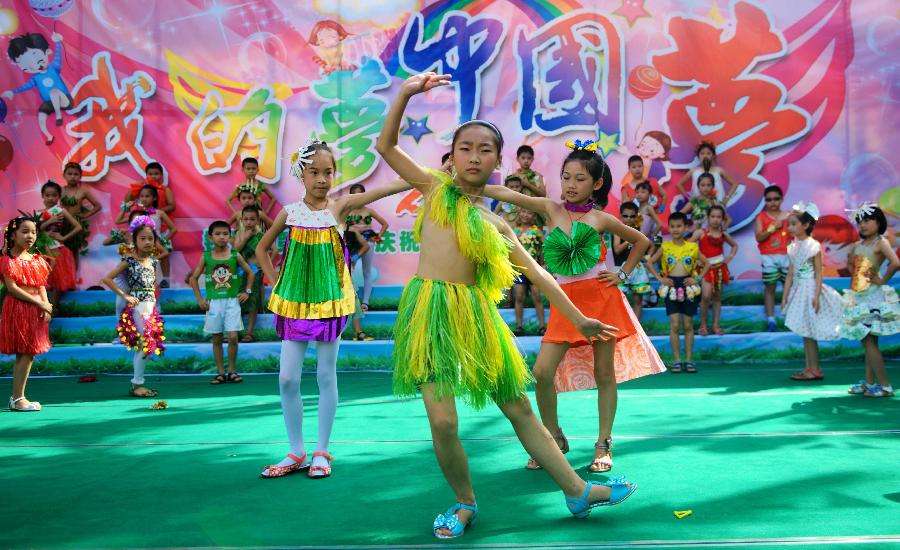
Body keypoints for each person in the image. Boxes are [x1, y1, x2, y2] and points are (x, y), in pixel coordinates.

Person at [377, 73, 638, 539]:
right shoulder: (435, 189)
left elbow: (538, 275)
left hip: (476, 316)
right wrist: (406, 93)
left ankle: (578, 491)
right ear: (451, 155)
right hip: (429, 312)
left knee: (518, 406)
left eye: (484, 149)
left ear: (499, 159)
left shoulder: (495, 222)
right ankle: (464, 502)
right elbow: (387, 146)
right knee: (442, 420)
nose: (474, 156)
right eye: (465, 148)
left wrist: (579, 317)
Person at [485, 138, 665, 474]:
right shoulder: (551, 209)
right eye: (566, 177)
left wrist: (622, 275)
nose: (570, 185)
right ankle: (553, 438)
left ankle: (603, 443)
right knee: (540, 373)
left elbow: (642, 241)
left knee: (604, 374)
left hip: (601, 300)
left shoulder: (601, 219)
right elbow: (509, 195)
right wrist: (471, 184)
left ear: (596, 184)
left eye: (579, 179)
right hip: (564, 303)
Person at [254, 138, 412, 479]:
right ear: (302, 173)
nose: (323, 179)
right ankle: (296, 451)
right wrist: (275, 282)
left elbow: (384, 190)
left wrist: (426, 176)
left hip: (330, 304)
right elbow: (262, 249)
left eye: (329, 172)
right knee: (286, 379)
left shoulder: (339, 208)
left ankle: (321, 451)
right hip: (294, 306)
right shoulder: (289, 213)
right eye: (315, 172)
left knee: (326, 374)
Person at [100, 215, 166, 397]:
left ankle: (137, 383)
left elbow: (153, 285)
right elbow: (106, 278)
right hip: (137, 306)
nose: (147, 242)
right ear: (135, 241)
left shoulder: (153, 261)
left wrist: (153, 304)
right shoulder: (129, 260)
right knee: (145, 343)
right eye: (142, 238)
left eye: (150, 238)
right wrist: (125, 295)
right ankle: (137, 384)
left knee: (145, 345)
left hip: (150, 306)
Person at [782, 202, 845, 380]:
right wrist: (785, 296)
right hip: (799, 290)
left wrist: (816, 296)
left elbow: (819, 273)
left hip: (809, 289)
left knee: (810, 331)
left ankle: (815, 368)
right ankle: (810, 367)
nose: (791, 227)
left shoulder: (813, 245)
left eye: (794, 224)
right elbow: (790, 274)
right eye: (790, 224)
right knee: (805, 331)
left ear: (806, 225)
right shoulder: (793, 247)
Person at [842, 203, 899, 397]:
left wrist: (882, 280)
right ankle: (869, 382)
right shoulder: (859, 245)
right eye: (860, 222)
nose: (863, 225)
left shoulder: (880, 243)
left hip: (873, 297)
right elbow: (851, 264)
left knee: (868, 341)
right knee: (868, 341)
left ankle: (885, 386)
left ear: (878, 222)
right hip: (859, 297)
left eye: (867, 220)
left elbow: (896, 262)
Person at [189, 221, 253, 384]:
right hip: (214, 303)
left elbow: (250, 273)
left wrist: (247, 291)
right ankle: (220, 373)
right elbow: (193, 278)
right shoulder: (206, 257)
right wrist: (200, 299)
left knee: (232, 336)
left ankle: (232, 371)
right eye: (217, 234)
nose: (222, 237)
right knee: (217, 337)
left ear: (230, 236)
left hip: (232, 301)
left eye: (225, 234)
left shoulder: (234, 255)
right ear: (210, 237)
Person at [648, 212, 710, 373]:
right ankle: (677, 361)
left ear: (685, 227)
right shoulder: (665, 247)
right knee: (675, 325)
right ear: (669, 227)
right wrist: (660, 279)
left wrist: (696, 278)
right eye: (673, 226)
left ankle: (689, 360)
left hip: (688, 286)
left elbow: (707, 263)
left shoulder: (693, 247)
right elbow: (649, 262)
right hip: (671, 287)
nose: (676, 229)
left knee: (688, 325)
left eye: (679, 226)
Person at [0, 217, 52, 411]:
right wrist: (38, 302)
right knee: (24, 352)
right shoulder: (7, 260)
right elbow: (12, 288)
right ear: (13, 235)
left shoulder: (36, 259)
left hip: (35, 308)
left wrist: (45, 304)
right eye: (25, 231)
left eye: (33, 232)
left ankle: (18, 397)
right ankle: (17, 398)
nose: (30, 236)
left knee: (29, 353)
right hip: (18, 308)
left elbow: (40, 285)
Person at [2, 32, 72, 144]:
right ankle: (49, 136)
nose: (33, 66)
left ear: (47, 52)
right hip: (49, 103)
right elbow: (25, 87)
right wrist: (13, 92)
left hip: (65, 100)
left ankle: (59, 115)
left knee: (54, 92)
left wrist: (57, 42)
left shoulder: (54, 68)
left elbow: (58, 56)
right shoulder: (35, 78)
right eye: (25, 66)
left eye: (36, 57)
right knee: (41, 116)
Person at [689, 205, 738, 336]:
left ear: (722, 219)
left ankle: (716, 325)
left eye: (718, 217)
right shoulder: (701, 233)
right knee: (705, 296)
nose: (715, 219)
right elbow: (688, 246)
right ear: (708, 217)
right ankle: (703, 325)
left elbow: (734, 246)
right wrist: (696, 260)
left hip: (719, 270)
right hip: (705, 270)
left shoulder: (723, 234)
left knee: (716, 297)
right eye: (713, 216)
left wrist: (729, 257)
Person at [117, 185, 177, 287]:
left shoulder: (159, 213)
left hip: (155, 242)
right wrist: (126, 208)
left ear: (154, 198)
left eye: (147, 196)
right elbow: (118, 221)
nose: (144, 199)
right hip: (141, 244)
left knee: (155, 266)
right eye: (142, 196)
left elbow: (174, 229)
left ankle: (164, 282)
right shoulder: (138, 214)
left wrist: (164, 240)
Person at [345, 183, 390, 310]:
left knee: (367, 272)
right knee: (347, 270)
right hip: (352, 243)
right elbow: (340, 226)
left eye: (360, 194)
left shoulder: (369, 211)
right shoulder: (347, 211)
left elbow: (385, 224)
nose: (357, 197)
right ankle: (348, 300)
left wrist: (376, 238)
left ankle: (365, 302)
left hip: (368, 242)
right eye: (354, 195)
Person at [37, 180, 81, 308]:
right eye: (47, 195)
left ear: (58, 197)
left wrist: (64, 237)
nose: (51, 198)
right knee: (43, 279)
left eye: (54, 195)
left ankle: (53, 308)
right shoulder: (38, 213)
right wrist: (50, 220)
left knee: (58, 279)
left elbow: (78, 226)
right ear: (42, 196)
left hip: (56, 247)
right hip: (41, 248)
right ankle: (42, 306)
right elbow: (36, 230)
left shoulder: (60, 210)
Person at [755, 185, 791, 331]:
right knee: (770, 287)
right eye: (769, 199)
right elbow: (759, 237)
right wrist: (773, 227)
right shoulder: (761, 217)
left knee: (789, 288)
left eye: (776, 199)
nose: (772, 202)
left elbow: (797, 232)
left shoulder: (788, 216)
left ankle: (790, 317)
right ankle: (771, 319)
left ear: (782, 199)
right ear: (765, 201)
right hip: (768, 257)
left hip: (787, 255)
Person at [233, 205, 271, 342]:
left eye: (252, 219)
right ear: (242, 220)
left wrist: (263, 265)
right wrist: (245, 238)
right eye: (246, 219)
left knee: (253, 301)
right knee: (237, 300)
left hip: (255, 272)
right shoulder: (238, 234)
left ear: (258, 221)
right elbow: (235, 250)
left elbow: (270, 250)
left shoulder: (262, 236)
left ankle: (249, 332)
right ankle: (235, 332)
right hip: (240, 272)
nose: (249, 222)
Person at [673, 141, 741, 212]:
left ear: (713, 155)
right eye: (702, 153)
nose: (705, 156)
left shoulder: (718, 170)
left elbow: (734, 184)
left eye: (708, 153)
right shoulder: (694, 171)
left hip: (717, 207)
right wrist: (689, 199)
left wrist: (727, 197)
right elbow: (679, 184)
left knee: (716, 221)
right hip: (699, 208)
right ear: (698, 156)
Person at [614, 202, 652, 320]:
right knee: (620, 299)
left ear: (636, 216)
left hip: (637, 266)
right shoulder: (617, 230)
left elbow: (648, 246)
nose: (629, 219)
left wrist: (647, 255)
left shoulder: (639, 231)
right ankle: (623, 326)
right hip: (622, 266)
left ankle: (637, 328)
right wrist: (628, 240)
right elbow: (617, 250)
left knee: (638, 299)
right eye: (625, 216)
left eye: (632, 216)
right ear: (621, 216)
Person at [511, 209, 546, 335]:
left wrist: (544, 264)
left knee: (537, 296)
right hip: (519, 269)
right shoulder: (514, 231)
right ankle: (519, 326)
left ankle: (542, 326)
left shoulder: (537, 231)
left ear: (534, 215)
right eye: (523, 212)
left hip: (534, 268)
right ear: (519, 214)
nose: (526, 215)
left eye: (529, 212)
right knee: (519, 296)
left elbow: (545, 247)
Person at [59, 162, 101, 264]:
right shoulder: (60, 190)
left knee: (73, 252)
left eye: (76, 174)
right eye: (69, 174)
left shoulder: (83, 191)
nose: (72, 176)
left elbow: (98, 206)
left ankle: (73, 278)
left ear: (80, 176)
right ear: (64, 175)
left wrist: (85, 215)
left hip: (75, 224)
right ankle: (62, 277)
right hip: (61, 223)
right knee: (60, 250)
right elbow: (52, 204)